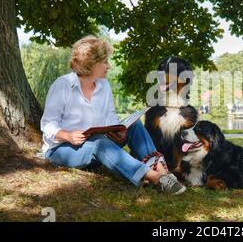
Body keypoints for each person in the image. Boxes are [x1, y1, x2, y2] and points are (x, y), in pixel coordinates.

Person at [40, 35, 186, 195]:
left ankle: (161, 170)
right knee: (99, 143)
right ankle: (154, 178)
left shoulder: (104, 85)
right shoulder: (63, 85)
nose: (108, 66)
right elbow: (47, 124)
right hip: (62, 149)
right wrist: (67, 135)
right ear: (91, 63)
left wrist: (119, 131)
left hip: (98, 146)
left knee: (134, 125)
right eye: (104, 62)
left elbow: (110, 117)